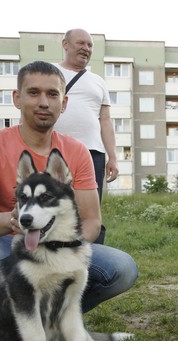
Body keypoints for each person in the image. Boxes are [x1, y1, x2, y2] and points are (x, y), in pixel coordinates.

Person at [0, 61, 138, 313]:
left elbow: (92, 221)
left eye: (52, 94)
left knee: (122, 268)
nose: (43, 102)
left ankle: (56, 321)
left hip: (60, 244)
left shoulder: (77, 151)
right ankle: (7, 323)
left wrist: (58, 249)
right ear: (17, 98)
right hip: (4, 244)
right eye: (33, 93)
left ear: (64, 103)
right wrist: (14, 220)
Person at [54, 28, 118, 245]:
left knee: (89, 210)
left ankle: (91, 259)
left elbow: (106, 121)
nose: (86, 48)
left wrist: (113, 157)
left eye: (90, 45)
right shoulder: (50, 72)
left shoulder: (98, 81)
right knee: (52, 204)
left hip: (93, 153)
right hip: (54, 151)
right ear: (65, 44)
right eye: (81, 43)